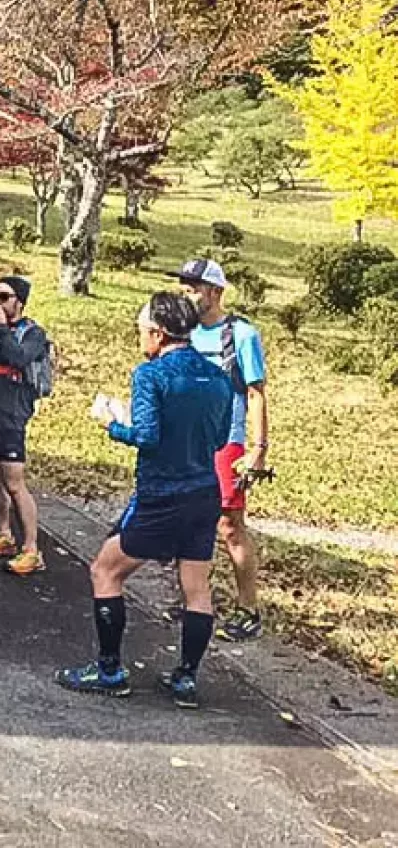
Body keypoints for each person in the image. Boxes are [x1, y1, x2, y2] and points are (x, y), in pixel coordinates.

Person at [57, 293, 232, 708]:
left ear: (157, 332)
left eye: (142, 330)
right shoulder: (217, 377)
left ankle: (110, 670)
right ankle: (186, 679)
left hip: (161, 495)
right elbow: (221, 439)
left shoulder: (151, 375)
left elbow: (148, 437)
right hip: (205, 492)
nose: (140, 337)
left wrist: (112, 423)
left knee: (105, 570)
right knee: (197, 587)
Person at [176, 259, 269, 643]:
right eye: (184, 287)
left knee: (230, 526)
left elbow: (256, 393)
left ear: (215, 291)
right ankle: (196, 598)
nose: (187, 293)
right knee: (190, 519)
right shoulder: (184, 333)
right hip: (189, 441)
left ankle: (249, 608)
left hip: (226, 441)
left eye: (194, 287)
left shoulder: (241, 335)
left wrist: (258, 450)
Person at [0, 276, 50, 576]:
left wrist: (3, 329)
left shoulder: (33, 334)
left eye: (4, 296)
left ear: (20, 302)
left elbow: (19, 358)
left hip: (13, 413)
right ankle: (5, 535)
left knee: (14, 481)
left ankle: (32, 549)